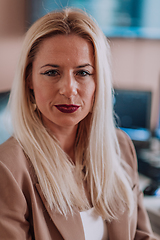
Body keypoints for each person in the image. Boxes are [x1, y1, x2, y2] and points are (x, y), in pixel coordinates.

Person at [0, 7, 157, 240]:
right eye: (52, 72)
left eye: (83, 73)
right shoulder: (8, 168)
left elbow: (140, 234)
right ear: (29, 80)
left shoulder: (121, 147)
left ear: (98, 81)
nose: (68, 89)